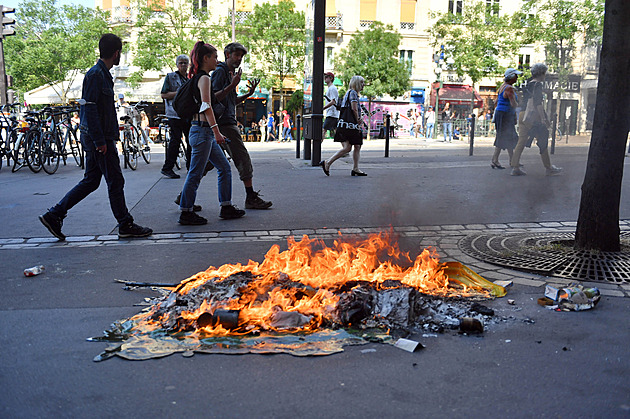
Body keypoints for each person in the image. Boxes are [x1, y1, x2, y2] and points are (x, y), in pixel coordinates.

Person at [39, 34, 152, 240]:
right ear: (116, 53)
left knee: (92, 181)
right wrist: (100, 141)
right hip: (99, 139)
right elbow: (89, 110)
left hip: (99, 138)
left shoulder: (101, 74)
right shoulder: (96, 75)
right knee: (115, 181)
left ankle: (54, 214)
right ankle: (125, 224)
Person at [178, 41, 245, 225]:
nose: (217, 60)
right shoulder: (205, 78)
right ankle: (186, 211)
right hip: (202, 132)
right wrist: (216, 131)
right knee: (195, 173)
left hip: (201, 132)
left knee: (223, 167)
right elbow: (206, 106)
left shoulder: (198, 78)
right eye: (214, 57)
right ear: (205, 58)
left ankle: (226, 206)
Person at [212, 42, 272, 209]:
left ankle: (185, 197)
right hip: (224, 124)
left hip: (224, 121)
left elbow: (231, 101)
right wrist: (232, 85)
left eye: (241, 56)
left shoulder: (229, 73)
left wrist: (248, 94)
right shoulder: (221, 72)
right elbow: (213, 98)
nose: (239, 59)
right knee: (242, 158)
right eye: (236, 55)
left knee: (207, 163)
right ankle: (250, 197)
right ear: (227, 55)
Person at [510, 63, 563, 176]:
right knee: (542, 139)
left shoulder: (528, 84)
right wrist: (543, 118)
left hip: (523, 114)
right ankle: (548, 168)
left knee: (521, 141)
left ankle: (515, 167)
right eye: (544, 73)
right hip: (533, 117)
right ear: (541, 74)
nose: (545, 76)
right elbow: (538, 103)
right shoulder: (538, 85)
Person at [319, 75, 367, 177]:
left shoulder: (348, 93)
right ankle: (328, 163)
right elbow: (354, 109)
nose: (363, 85)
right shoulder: (353, 93)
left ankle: (355, 168)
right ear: (356, 83)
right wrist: (358, 119)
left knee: (356, 146)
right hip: (351, 125)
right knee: (348, 147)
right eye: (362, 83)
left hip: (346, 124)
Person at [160, 54, 191, 179]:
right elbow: (163, 95)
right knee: (175, 140)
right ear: (177, 64)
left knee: (191, 141)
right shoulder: (170, 77)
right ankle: (167, 168)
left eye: (185, 63)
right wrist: (179, 93)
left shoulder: (189, 79)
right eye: (181, 63)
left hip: (187, 114)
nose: (183, 65)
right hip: (174, 114)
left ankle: (190, 167)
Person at [491, 68, 521, 169]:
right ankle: (496, 160)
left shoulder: (502, 87)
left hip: (501, 114)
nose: (517, 78)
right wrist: (520, 105)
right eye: (516, 76)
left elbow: (496, 102)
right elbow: (513, 104)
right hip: (506, 115)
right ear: (511, 77)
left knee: (506, 136)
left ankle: (512, 160)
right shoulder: (509, 89)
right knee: (507, 136)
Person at [322, 72, 339, 139]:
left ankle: (316, 146)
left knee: (324, 130)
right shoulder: (330, 88)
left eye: (326, 77)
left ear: (331, 78)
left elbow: (333, 101)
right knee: (337, 132)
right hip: (332, 113)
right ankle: (345, 146)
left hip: (332, 113)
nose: (324, 78)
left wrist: (323, 108)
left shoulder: (332, 88)